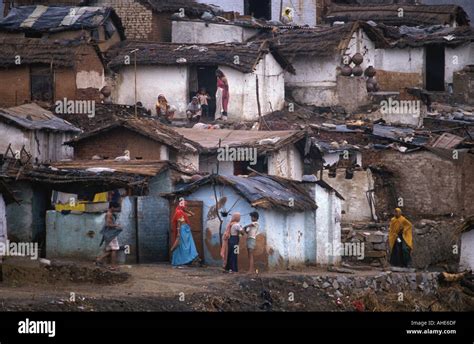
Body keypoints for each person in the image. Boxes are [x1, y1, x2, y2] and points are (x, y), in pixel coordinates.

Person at [170, 198, 198, 266]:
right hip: (182, 230)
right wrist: (179, 232)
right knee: (182, 245)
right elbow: (179, 223)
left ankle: (186, 260)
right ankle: (179, 261)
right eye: (185, 205)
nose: (186, 206)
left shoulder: (183, 212)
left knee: (189, 244)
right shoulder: (178, 212)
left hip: (186, 229)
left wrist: (187, 210)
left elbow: (192, 214)